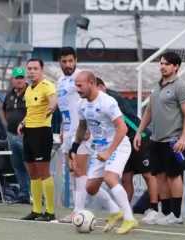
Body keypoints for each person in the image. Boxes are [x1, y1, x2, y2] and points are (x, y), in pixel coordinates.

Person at [71, 70, 138, 235]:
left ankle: (130, 218)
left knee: (110, 178)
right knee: (90, 188)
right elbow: (81, 127)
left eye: (80, 85)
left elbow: (123, 128)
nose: (77, 89)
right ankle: (115, 210)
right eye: (76, 86)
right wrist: (74, 147)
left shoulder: (107, 102)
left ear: (91, 83)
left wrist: (109, 152)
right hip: (100, 148)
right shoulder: (81, 104)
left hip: (118, 146)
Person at [134, 51, 185, 225]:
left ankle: (176, 215)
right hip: (156, 139)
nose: (162, 66)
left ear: (176, 67)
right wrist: (139, 132)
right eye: (161, 63)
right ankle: (165, 212)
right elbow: (149, 111)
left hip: (173, 139)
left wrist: (184, 138)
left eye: (166, 64)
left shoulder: (180, 86)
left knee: (174, 176)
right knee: (159, 176)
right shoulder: (158, 86)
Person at [96, 77, 159, 223]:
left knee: (148, 174)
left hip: (138, 135)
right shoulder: (98, 100)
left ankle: (154, 210)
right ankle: (126, 211)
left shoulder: (111, 98)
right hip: (123, 141)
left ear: (101, 87)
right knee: (126, 177)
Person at [18, 58, 58, 221]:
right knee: (32, 173)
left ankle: (49, 211)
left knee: (43, 171)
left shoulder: (47, 85)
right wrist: (23, 122)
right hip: (29, 132)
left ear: (42, 70)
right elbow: (31, 112)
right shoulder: (28, 90)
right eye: (29, 68)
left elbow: (53, 99)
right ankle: (36, 210)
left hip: (42, 132)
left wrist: (52, 107)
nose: (32, 71)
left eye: (35, 68)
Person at [57, 47, 91, 223]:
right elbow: (65, 106)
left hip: (81, 132)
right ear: (60, 61)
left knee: (79, 171)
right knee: (73, 172)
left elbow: (92, 98)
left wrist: (89, 126)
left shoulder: (82, 77)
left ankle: (78, 211)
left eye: (71, 61)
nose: (68, 64)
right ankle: (77, 210)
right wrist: (63, 128)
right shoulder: (60, 80)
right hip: (68, 132)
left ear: (76, 60)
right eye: (64, 61)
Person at [2, 66, 31, 204]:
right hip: (12, 135)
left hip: (26, 135)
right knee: (17, 166)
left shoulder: (31, 92)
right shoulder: (10, 95)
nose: (19, 81)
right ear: (12, 80)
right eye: (17, 78)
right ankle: (24, 194)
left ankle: (38, 197)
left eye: (22, 78)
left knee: (30, 166)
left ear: (25, 79)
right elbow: (4, 110)